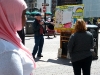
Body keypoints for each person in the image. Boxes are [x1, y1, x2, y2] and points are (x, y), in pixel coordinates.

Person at [0, 0, 36, 75]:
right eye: (24, 14)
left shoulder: (7, 37)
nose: (26, 18)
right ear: (11, 16)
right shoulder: (8, 52)